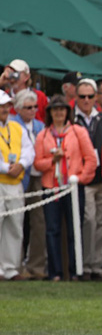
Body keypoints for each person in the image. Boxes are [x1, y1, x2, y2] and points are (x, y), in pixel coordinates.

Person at [33, 95, 96, 281]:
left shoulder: (77, 131)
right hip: (50, 187)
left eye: (62, 109)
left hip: (73, 188)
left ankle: (76, 270)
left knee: (74, 228)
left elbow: (91, 159)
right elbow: (37, 163)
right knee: (52, 229)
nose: (59, 113)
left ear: (67, 112)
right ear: (50, 112)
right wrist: (52, 160)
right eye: (55, 109)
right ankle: (56, 273)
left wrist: (81, 178)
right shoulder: (43, 135)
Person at [74, 78, 102, 281]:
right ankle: (86, 264)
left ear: (95, 97)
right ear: (76, 98)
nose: (86, 100)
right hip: (83, 179)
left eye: (90, 96)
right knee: (88, 220)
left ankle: (98, 265)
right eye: (82, 96)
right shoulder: (72, 119)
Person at [11, 89, 47, 279]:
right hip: (17, 177)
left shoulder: (40, 125)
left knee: (38, 222)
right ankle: (13, 266)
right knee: (16, 222)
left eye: (35, 107)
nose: (33, 110)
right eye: (28, 107)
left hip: (39, 176)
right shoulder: (11, 124)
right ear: (17, 109)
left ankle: (36, 265)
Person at [0, 90, 34, 281]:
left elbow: (29, 150)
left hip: (15, 183)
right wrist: (6, 168)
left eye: (7, 106)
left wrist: (20, 164)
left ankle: (11, 267)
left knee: (15, 225)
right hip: (2, 180)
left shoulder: (16, 127)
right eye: (2, 106)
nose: (5, 109)